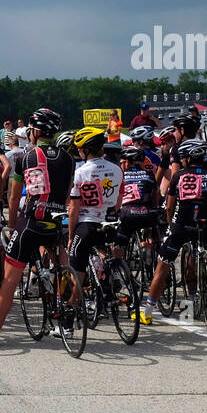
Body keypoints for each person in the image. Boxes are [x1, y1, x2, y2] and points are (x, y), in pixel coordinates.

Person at [0, 108, 68, 347]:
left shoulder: (24, 156)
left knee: (9, 279)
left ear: (35, 130)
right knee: (62, 263)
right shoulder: (68, 158)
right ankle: (64, 310)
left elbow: (14, 198)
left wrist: (14, 224)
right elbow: (67, 194)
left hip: (31, 222)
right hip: (57, 219)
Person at [139, 139, 207, 324]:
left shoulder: (179, 176)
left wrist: (171, 224)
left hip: (181, 226)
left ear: (189, 158)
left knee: (162, 267)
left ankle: (148, 311)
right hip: (204, 225)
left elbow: (170, 207)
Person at [65, 127, 124, 333]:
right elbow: (118, 200)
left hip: (87, 225)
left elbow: (74, 209)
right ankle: (110, 273)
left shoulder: (80, 172)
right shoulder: (117, 169)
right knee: (104, 249)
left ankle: (69, 316)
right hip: (110, 223)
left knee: (77, 270)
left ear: (86, 150)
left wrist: (71, 237)